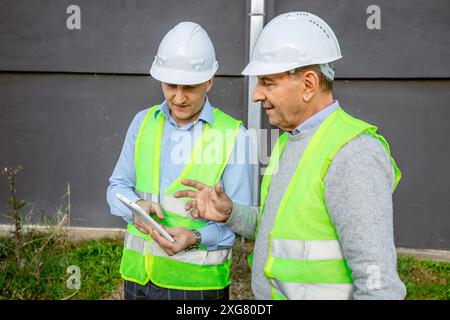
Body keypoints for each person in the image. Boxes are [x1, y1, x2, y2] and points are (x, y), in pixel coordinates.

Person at [158, 12, 407, 300]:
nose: (256, 95)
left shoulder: (353, 154)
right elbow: (275, 228)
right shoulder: (291, 140)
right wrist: (229, 214)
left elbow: (379, 287)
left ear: (309, 84)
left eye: (268, 83)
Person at [106, 21, 253, 300]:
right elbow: (116, 187)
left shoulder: (235, 136)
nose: (178, 97)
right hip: (137, 278)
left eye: (189, 87)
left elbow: (243, 223)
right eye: (170, 85)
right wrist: (137, 206)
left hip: (197, 287)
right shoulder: (143, 122)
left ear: (209, 81)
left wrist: (195, 238)